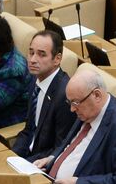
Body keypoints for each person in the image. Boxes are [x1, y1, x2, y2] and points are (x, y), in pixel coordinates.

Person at [13, 28, 73, 161]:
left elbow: (61, 148)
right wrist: (12, 156)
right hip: (28, 155)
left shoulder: (65, 95)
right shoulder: (35, 79)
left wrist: (26, 163)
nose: (33, 59)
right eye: (31, 52)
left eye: (41, 54)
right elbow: (29, 130)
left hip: (43, 164)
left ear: (57, 59)